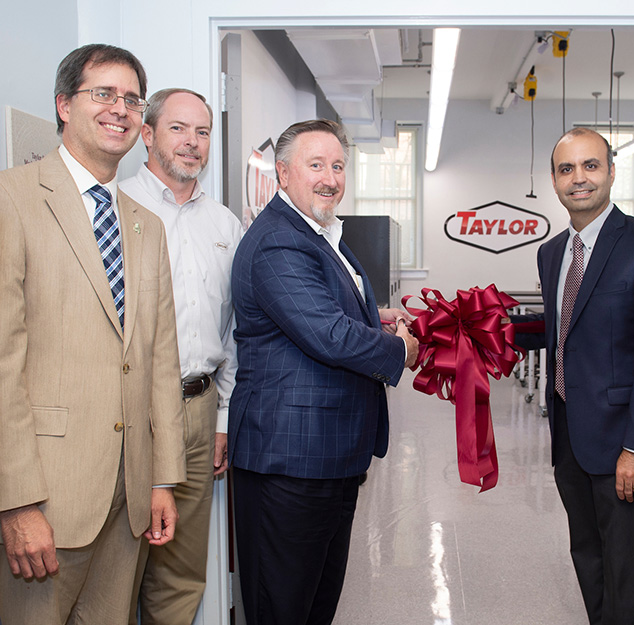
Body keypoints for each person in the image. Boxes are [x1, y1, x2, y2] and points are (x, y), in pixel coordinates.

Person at [0, 44, 186, 624]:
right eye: (102, 93)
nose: (120, 109)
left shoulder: (145, 225)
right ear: (63, 105)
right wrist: (17, 502)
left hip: (128, 497)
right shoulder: (13, 200)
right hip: (50, 494)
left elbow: (159, 359)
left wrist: (162, 479)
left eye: (131, 99)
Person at [229, 118, 419, 625]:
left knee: (315, 602)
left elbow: (322, 310)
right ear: (284, 172)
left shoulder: (320, 233)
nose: (330, 177)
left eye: (338, 166)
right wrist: (399, 350)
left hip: (327, 454)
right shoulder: (279, 240)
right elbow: (326, 334)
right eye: (316, 165)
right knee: (283, 605)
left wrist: (371, 317)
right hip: (290, 457)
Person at [515, 127, 634, 624]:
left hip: (623, 447)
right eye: (567, 169)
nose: (579, 179)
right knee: (588, 561)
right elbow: (567, 331)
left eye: (590, 166)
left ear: (611, 171)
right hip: (569, 438)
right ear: (553, 179)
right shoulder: (552, 254)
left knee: (629, 577)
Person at [120, 87, 243, 625]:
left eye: (202, 132)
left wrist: (222, 417)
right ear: (146, 134)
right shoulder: (115, 208)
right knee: (117, 571)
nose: (192, 143)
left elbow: (236, 330)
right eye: (178, 128)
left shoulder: (224, 225)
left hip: (198, 409)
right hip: (128, 413)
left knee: (181, 575)